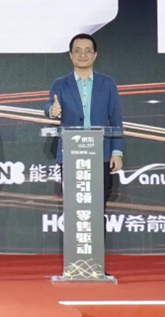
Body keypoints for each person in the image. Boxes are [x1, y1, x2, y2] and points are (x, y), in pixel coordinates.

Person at [44, 33, 124, 208]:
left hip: (101, 152)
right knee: (74, 206)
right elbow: (49, 106)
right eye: (77, 51)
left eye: (88, 51)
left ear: (95, 55)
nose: (82, 55)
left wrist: (117, 151)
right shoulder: (60, 84)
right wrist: (53, 110)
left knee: (99, 205)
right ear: (70, 55)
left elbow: (116, 119)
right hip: (72, 153)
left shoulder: (107, 83)